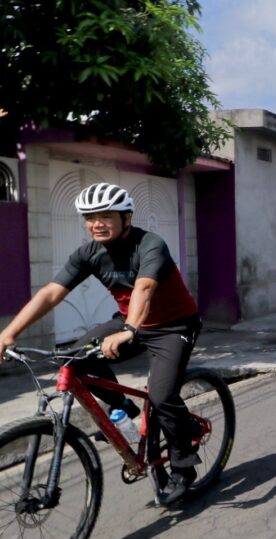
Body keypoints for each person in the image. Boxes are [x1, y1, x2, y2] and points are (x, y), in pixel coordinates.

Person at [0, 183, 203, 504]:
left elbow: (145, 288)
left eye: (106, 215)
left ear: (127, 217)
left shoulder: (150, 245)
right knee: (71, 359)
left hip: (173, 326)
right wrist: (8, 333)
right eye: (90, 217)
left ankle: (183, 465)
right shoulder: (89, 253)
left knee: (163, 395)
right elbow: (51, 293)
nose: (97, 223)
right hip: (128, 323)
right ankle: (124, 408)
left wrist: (130, 330)